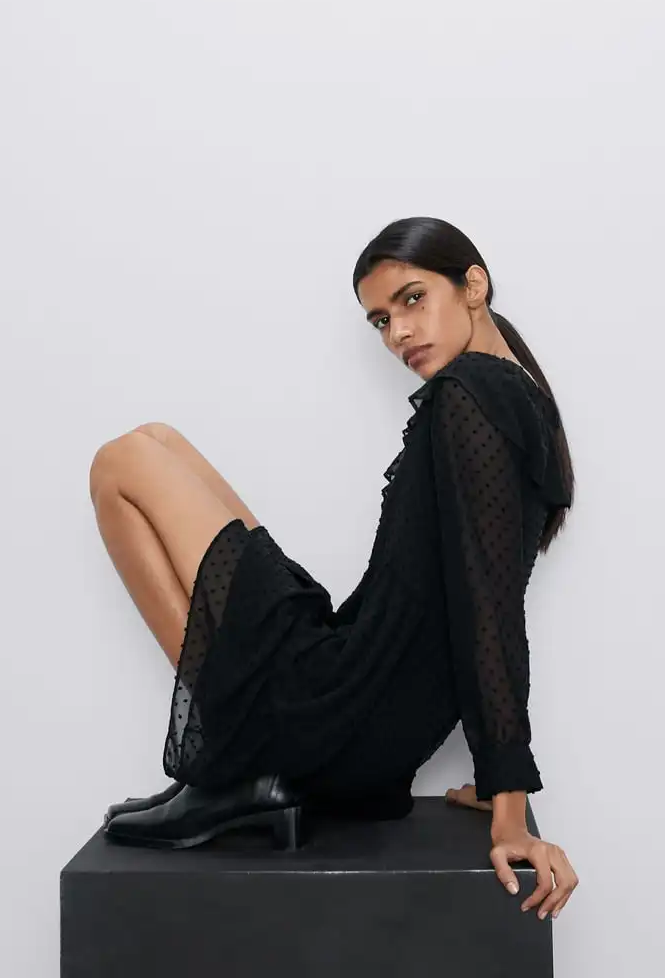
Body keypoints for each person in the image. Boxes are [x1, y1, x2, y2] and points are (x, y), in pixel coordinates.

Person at [89, 216, 580, 920]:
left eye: (412, 299)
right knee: (157, 441)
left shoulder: (468, 393)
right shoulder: (520, 397)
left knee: (120, 464)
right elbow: (480, 590)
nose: (398, 333)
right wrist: (493, 781)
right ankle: (242, 751)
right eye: (381, 320)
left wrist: (509, 800)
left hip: (343, 710)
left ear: (474, 285)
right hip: (357, 698)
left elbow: (489, 605)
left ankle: (237, 759)